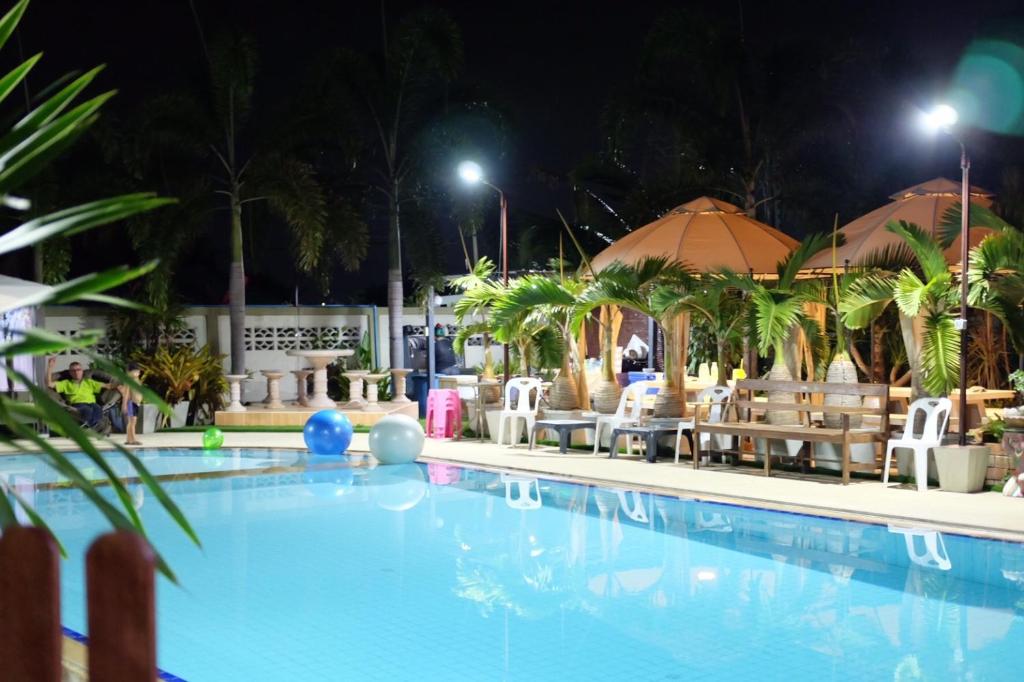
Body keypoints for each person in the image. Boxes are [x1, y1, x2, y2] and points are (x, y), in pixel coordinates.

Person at [46, 357, 114, 429]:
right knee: (87, 411)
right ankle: (93, 426)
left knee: (98, 409)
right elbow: (49, 384)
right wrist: (50, 367)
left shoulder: (89, 382)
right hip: (77, 405)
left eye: (78, 370)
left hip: (92, 403)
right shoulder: (66, 383)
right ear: (70, 372)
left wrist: (120, 385)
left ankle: (92, 426)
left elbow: (108, 386)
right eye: (73, 370)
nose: (76, 372)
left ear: (82, 371)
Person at [119, 362, 142, 445]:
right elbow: (126, 394)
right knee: (132, 422)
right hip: (131, 403)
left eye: (138, 371)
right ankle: (133, 439)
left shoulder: (137, 381)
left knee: (132, 422)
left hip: (136, 404)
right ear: (128, 372)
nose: (137, 373)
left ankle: (129, 439)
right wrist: (124, 405)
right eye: (135, 371)